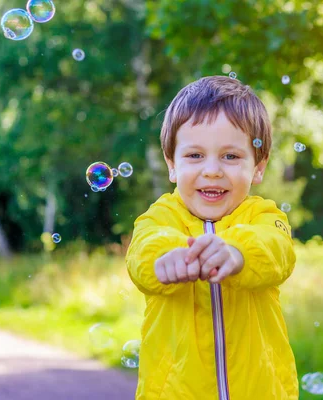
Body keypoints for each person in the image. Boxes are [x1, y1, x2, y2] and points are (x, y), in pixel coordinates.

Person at [125, 75, 298, 400]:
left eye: (230, 156)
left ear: (258, 168)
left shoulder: (264, 216)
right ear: (172, 165)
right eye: (195, 156)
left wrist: (237, 253)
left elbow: (278, 252)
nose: (213, 170)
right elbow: (143, 253)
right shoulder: (160, 217)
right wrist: (169, 258)